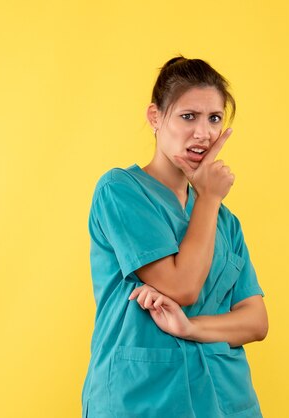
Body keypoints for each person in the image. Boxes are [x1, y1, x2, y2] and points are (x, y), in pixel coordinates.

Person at [81, 56, 269, 418]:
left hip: (225, 400)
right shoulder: (120, 191)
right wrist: (210, 197)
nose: (204, 133)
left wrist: (191, 327)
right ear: (155, 117)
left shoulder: (224, 220)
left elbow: (256, 321)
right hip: (143, 398)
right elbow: (182, 287)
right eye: (188, 117)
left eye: (214, 118)